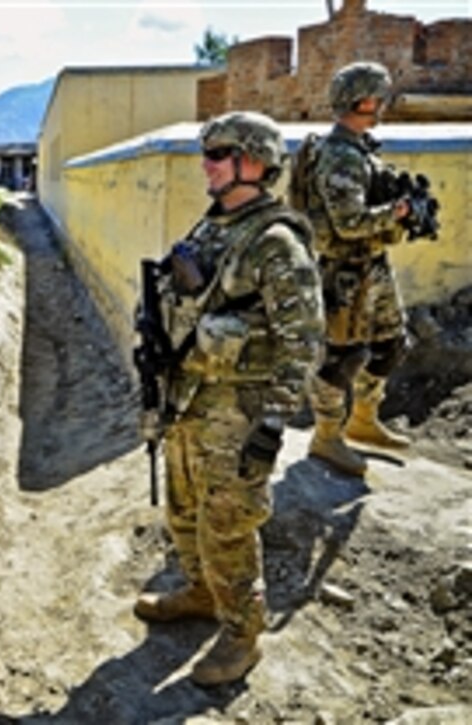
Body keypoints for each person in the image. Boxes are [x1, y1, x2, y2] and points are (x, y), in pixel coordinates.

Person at [133, 112, 323, 685]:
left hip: (238, 412)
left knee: (228, 524)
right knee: (184, 510)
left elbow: (305, 341)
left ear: (254, 162)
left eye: (217, 153)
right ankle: (199, 590)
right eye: (208, 153)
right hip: (189, 397)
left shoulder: (276, 242)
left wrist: (274, 424)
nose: (206, 164)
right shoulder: (213, 227)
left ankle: (242, 633)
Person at [298, 62, 414, 477]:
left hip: (372, 266)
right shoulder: (340, 156)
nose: (382, 104)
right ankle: (327, 436)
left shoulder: (361, 148)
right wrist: (395, 212)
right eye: (377, 97)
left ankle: (364, 419)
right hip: (343, 272)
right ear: (362, 100)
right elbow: (349, 223)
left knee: (391, 342)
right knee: (340, 358)